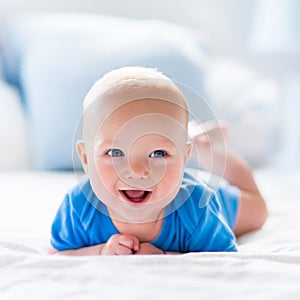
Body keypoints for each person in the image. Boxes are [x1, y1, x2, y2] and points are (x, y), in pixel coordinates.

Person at [48, 66, 267, 256]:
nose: (137, 170)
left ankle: (211, 149)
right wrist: (101, 250)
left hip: (217, 197)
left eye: (158, 154)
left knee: (258, 211)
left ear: (184, 158)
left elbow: (223, 259)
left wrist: (166, 255)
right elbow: (59, 253)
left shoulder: (198, 206)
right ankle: (185, 138)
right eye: (115, 153)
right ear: (86, 159)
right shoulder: (78, 206)